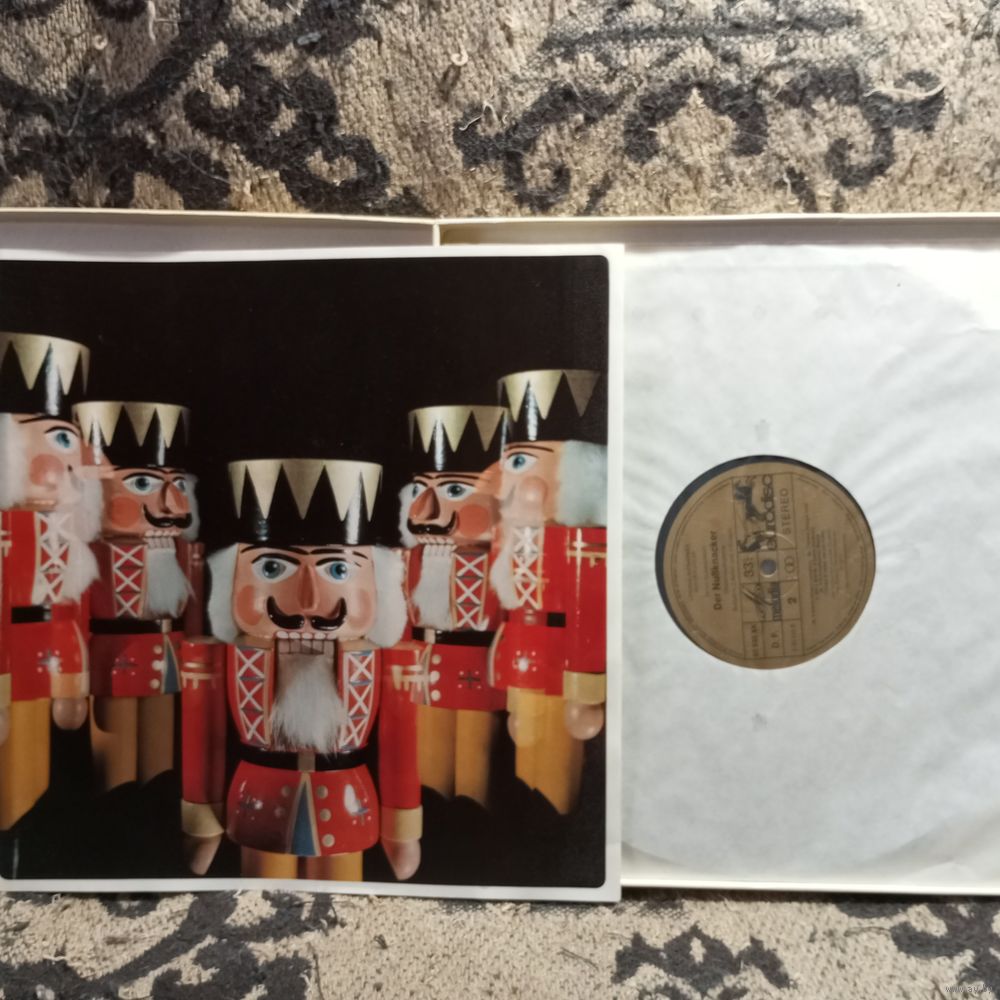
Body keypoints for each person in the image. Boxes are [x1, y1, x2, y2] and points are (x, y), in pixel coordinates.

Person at [181, 458, 424, 880]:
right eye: (272, 568)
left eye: (338, 569)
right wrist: (202, 817)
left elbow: (400, 742)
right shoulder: (219, 656)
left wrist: (401, 827)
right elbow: (204, 736)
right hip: (257, 800)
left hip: (349, 802)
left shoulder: (389, 658)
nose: (309, 604)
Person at [490, 369, 607, 814]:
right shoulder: (511, 534)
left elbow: (590, 616)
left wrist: (586, 689)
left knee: (556, 777)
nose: (501, 482)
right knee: (525, 767)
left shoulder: (587, 543)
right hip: (523, 657)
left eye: (520, 462)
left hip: (564, 662)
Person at [74, 401, 204, 792]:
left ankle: (152, 807)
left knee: (160, 763)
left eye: (177, 484)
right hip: (110, 658)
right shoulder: (89, 550)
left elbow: (194, 612)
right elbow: (76, 611)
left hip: (168, 654)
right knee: (116, 765)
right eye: (143, 484)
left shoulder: (182, 550)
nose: (173, 506)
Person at [0, 331, 99, 835]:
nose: (61, 463)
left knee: (37, 760)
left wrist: (77, 671)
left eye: (65, 439)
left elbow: (75, 599)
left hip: (53, 647)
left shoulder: (70, 524)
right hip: (7, 651)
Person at [399, 405, 508, 806]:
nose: (423, 513)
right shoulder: (407, 559)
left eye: (454, 491)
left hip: (481, 672)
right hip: (423, 671)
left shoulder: (505, 559)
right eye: (419, 491)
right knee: (429, 781)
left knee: (474, 777)